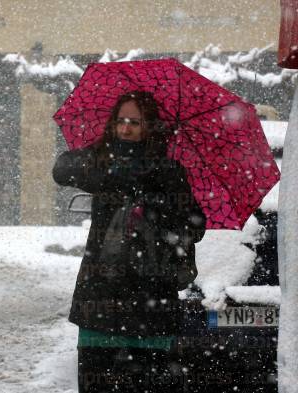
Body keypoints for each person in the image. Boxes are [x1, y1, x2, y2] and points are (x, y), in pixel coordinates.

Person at [52, 91, 206, 392]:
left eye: (134, 122)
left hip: (152, 301)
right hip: (101, 298)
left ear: (149, 126)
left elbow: (195, 225)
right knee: (96, 382)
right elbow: (62, 169)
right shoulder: (101, 160)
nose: (125, 129)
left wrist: (159, 208)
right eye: (120, 121)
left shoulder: (169, 172)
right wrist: (116, 169)